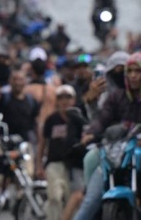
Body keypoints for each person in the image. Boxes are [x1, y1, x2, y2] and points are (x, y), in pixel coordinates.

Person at [74, 52, 141, 220]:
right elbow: (102, 119)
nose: (133, 76)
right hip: (116, 150)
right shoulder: (116, 97)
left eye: (137, 71)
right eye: (129, 72)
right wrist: (91, 133)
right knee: (90, 200)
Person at [36, 85, 87, 220]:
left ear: (74, 100)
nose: (64, 101)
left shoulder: (78, 119)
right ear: (56, 100)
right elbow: (42, 143)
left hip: (73, 164)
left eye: (68, 97)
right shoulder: (51, 120)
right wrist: (39, 165)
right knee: (55, 196)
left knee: (72, 198)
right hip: (54, 163)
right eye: (61, 98)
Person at [0, 71, 39, 143]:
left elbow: (36, 121)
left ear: (25, 82)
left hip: (26, 141)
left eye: (20, 80)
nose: (17, 83)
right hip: (8, 141)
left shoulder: (31, 101)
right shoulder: (4, 99)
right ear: (10, 81)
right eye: (15, 79)